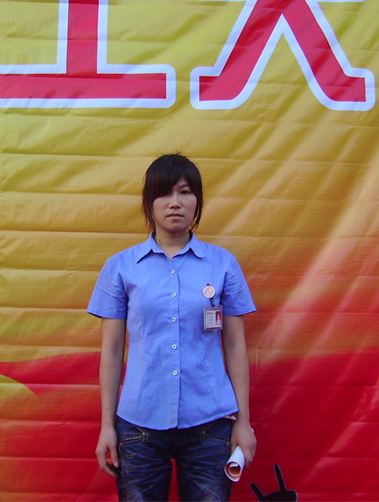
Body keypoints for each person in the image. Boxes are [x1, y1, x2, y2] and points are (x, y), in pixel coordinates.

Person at [87, 153, 257, 501]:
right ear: (149, 204)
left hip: (210, 422)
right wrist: (107, 425)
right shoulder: (120, 267)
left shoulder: (223, 264)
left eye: (185, 192)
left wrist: (243, 421)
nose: (174, 203)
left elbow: (235, 346)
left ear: (198, 201)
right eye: (164, 193)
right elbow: (112, 350)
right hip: (139, 425)